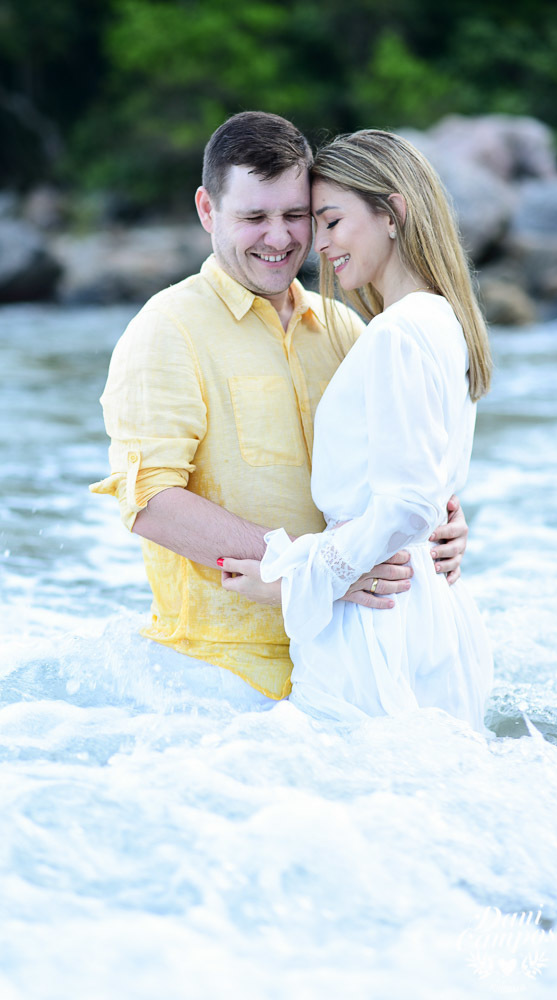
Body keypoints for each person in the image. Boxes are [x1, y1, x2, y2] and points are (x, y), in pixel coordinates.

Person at [90, 112, 468, 710]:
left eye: (296, 215)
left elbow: (396, 471)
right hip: (219, 680)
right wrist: (323, 572)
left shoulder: (346, 327)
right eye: (253, 217)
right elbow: (150, 501)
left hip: (348, 663)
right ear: (207, 211)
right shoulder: (166, 329)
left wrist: (441, 526)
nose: (281, 237)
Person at [220, 129, 493, 731]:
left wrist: (294, 581)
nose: (319, 245)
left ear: (393, 212)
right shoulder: (440, 320)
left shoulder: (398, 331)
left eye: (332, 221)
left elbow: (408, 504)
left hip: (380, 614)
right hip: (422, 602)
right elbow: (425, 497)